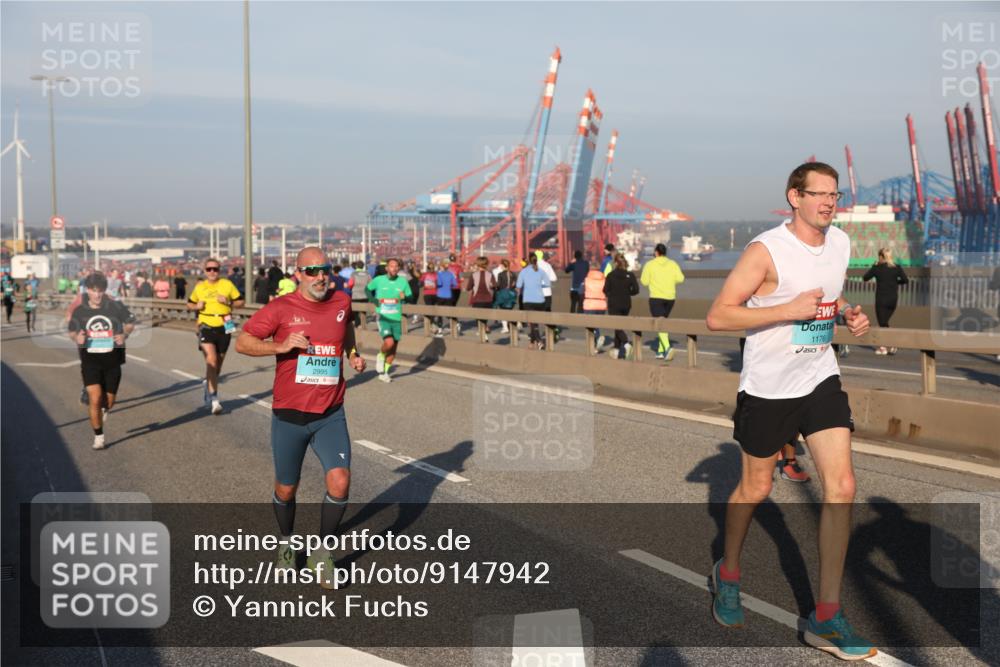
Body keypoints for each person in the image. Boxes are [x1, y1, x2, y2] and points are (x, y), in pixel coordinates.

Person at [705, 162, 874, 660]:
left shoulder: (840, 243)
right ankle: (728, 573)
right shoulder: (766, 251)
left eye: (834, 195)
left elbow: (829, 289)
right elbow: (718, 315)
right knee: (756, 487)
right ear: (793, 198)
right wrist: (786, 310)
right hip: (768, 389)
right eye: (818, 194)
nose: (828, 202)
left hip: (819, 378)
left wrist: (846, 311)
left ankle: (826, 617)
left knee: (842, 486)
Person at [236, 247, 366, 585]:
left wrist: (351, 353)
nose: (321, 276)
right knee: (286, 488)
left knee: (340, 479)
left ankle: (322, 555)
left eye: (326, 269)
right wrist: (279, 347)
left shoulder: (341, 301)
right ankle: (287, 543)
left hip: (330, 412)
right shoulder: (281, 308)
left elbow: (346, 328)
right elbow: (243, 341)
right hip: (289, 415)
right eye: (312, 271)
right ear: (298, 274)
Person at [68, 272, 137, 450]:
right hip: (90, 360)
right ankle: (99, 436)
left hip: (113, 361)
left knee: (109, 401)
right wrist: (77, 337)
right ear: (88, 290)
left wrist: (125, 334)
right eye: (93, 290)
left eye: (100, 291)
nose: (97, 295)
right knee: (95, 398)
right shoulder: (80, 311)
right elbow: (71, 332)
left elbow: (130, 322)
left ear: (105, 291)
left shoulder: (115, 306)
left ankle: (104, 409)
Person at [188, 258, 245, 415]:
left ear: (220, 271)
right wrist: (196, 306)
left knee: (217, 366)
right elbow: (189, 303)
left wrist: (228, 301)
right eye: (209, 269)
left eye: (215, 269)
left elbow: (241, 302)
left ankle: (208, 383)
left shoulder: (227, 285)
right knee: (211, 360)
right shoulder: (200, 287)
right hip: (205, 324)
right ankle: (214, 399)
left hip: (225, 324)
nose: (212, 272)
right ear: (205, 271)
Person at [366, 258, 412, 383]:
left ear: (398, 268)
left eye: (396, 266)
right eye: (391, 266)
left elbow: (411, 296)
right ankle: (380, 356)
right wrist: (374, 300)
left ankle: (384, 372)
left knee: (393, 348)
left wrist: (406, 297)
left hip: (396, 318)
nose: (394, 268)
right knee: (389, 342)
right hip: (383, 317)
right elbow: (367, 289)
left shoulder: (403, 282)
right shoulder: (379, 280)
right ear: (387, 268)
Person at [640, 242, 686, 361]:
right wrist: (669, 281)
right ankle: (660, 352)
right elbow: (681, 278)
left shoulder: (650, 264)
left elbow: (644, 282)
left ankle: (667, 348)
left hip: (656, 298)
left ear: (656, 252)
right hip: (670, 298)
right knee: (663, 323)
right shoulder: (673, 264)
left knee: (659, 324)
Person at [863, 247, 908, 355]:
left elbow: (865, 278)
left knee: (882, 323)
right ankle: (888, 345)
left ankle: (885, 346)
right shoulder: (896, 267)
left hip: (881, 300)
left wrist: (874, 266)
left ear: (881, 257)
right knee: (884, 322)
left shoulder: (877, 268)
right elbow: (905, 280)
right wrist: (895, 283)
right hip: (893, 300)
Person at [603, 254, 639, 359]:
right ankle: (617, 351)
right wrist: (627, 293)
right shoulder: (630, 275)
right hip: (626, 304)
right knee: (619, 326)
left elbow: (605, 290)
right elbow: (636, 290)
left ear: (615, 263)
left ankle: (626, 344)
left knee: (617, 326)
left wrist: (611, 295)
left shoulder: (610, 275)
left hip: (614, 303)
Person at [515, 253, 550, 349]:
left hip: (528, 300)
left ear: (528, 261)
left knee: (532, 323)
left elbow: (518, 286)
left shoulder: (524, 271)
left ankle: (539, 341)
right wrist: (538, 286)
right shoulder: (541, 271)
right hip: (540, 300)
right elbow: (548, 283)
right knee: (535, 323)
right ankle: (532, 341)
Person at [466, 256, 496, 341]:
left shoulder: (474, 275)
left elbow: (468, 288)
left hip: (477, 299)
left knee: (478, 318)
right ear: (487, 264)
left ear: (478, 264)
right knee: (485, 318)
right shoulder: (490, 275)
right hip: (488, 300)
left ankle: (483, 333)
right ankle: (484, 331)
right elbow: (494, 286)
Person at [582, 265, 608, 352]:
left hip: (590, 304)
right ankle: (597, 341)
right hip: (601, 304)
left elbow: (581, 291)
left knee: (590, 325)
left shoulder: (586, 279)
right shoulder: (604, 280)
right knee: (596, 325)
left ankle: (595, 342)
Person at [493, 259, 517, 333]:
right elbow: (515, 284)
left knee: (503, 311)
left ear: (503, 266)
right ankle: (512, 325)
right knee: (509, 310)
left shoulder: (500, 274)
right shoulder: (513, 274)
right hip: (512, 294)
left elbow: (498, 285)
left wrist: (494, 287)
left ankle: (505, 327)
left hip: (503, 294)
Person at [435, 260, 458, 337]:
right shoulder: (451, 274)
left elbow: (439, 283)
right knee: (449, 312)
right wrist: (448, 286)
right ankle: (456, 324)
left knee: (439, 314)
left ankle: (440, 330)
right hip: (449, 295)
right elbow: (455, 284)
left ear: (441, 266)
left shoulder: (439, 274)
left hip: (440, 295)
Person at [350, 260, 371, 328]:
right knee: (364, 311)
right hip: (365, 295)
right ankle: (363, 325)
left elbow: (350, 284)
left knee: (355, 311)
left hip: (356, 295)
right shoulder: (367, 274)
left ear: (356, 266)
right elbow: (371, 284)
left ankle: (357, 324)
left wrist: (350, 288)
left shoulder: (353, 274)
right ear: (363, 266)